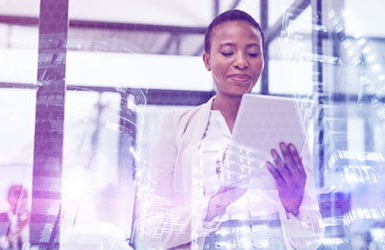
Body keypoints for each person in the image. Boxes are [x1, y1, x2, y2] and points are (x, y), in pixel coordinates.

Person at [135, 9, 322, 250]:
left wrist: (293, 204)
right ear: (207, 60)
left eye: (253, 53)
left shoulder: (286, 129)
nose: (242, 62)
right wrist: (215, 204)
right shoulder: (177, 126)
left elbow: (312, 240)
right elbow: (152, 232)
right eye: (227, 52)